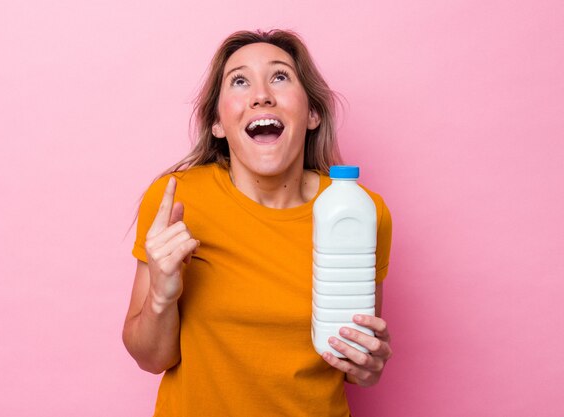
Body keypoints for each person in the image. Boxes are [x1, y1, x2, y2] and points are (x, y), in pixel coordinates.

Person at [122, 29, 393, 417]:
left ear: (312, 113)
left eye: (280, 77)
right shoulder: (177, 201)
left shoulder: (361, 209)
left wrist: (367, 366)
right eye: (240, 81)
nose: (262, 94)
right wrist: (162, 298)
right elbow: (150, 358)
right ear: (218, 122)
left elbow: (354, 363)